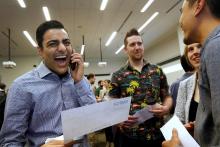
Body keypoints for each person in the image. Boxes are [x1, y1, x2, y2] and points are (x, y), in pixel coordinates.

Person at [0, 20, 96, 147]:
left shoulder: (80, 80)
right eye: (52, 44)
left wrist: (79, 82)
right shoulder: (21, 86)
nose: (62, 48)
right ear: (40, 50)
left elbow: (94, 119)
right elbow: (10, 142)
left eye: (66, 42)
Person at [163, 0, 220, 146]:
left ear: (198, 6)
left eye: (182, 12)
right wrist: (203, 129)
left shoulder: (215, 48)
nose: (180, 20)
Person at [109, 28, 172, 147]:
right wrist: (118, 119)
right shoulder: (118, 75)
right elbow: (110, 103)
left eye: (139, 43)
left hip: (157, 134)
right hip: (130, 137)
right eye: (132, 44)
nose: (137, 47)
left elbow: (167, 96)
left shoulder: (156, 70)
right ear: (125, 49)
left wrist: (166, 108)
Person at [174, 43, 201, 135]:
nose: (195, 52)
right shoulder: (184, 85)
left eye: (200, 46)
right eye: (190, 49)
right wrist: (184, 128)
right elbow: (178, 119)